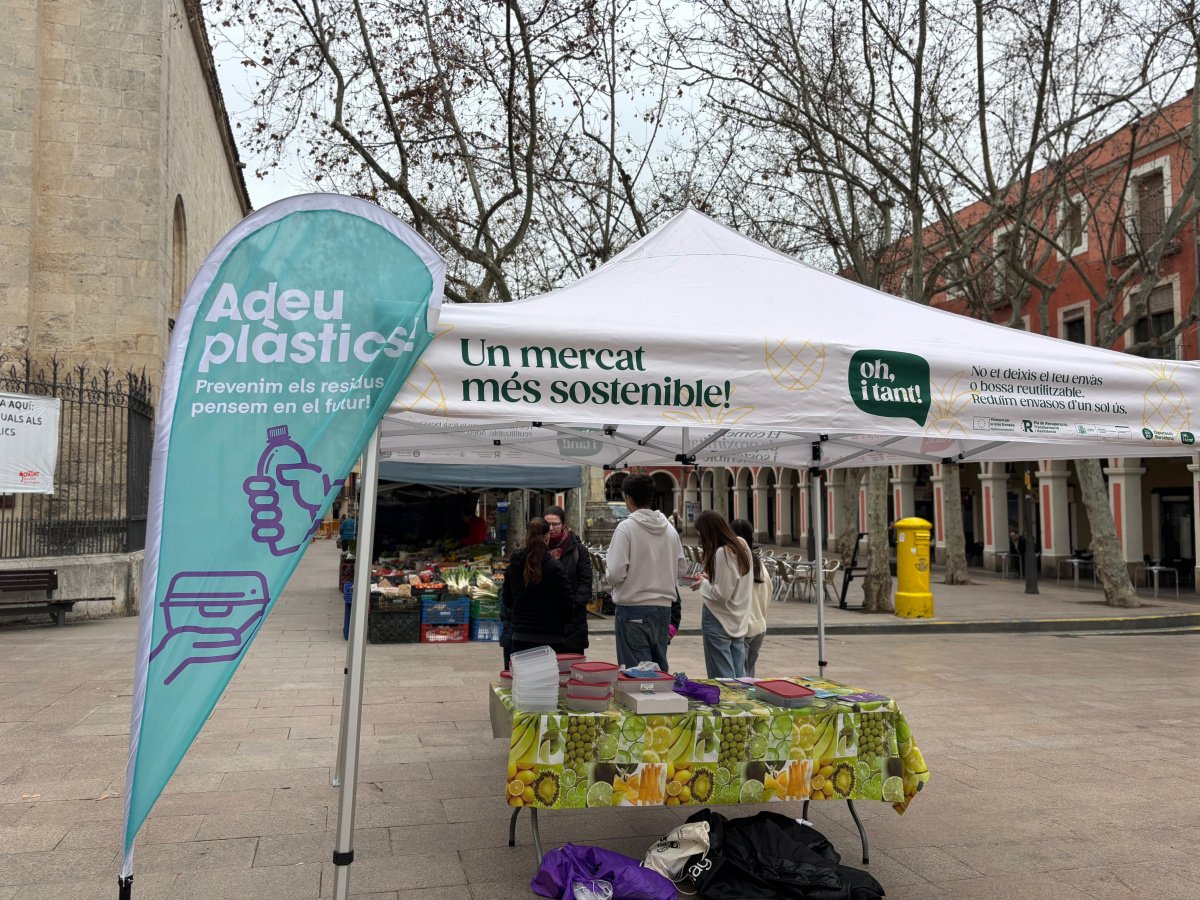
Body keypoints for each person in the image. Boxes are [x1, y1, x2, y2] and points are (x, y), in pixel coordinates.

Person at [606, 473, 686, 671]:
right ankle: (661, 702)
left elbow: (615, 573)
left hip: (633, 607)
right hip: (663, 609)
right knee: (658, 669)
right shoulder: (669, 529)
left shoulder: (626, 528)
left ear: (628, 498)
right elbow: (682, 569)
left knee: (636, 674)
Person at [691, 510, 752, 678]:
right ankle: (739, 703)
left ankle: (726, 704)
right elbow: (734, 580)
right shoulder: (742, 545)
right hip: (738, 618)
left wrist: (703, 584)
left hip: (718, 618)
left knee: (722, 677)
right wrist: (711, 578)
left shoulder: (722, 552)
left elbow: (721, 594)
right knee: (739, 676)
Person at [501, 517, 574, 656]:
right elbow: (567, 603)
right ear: (547, 537)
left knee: (523, 677)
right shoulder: (555, 567)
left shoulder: (514, 566)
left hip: (520, 636)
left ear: (526, 536)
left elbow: (507, 600)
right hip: (551, 636)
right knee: (547, 677)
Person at [544, 505, 592, 654]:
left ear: (563, 524)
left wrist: (574, 605)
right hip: (544, 618)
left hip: (572, 621)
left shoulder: (577, 550)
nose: (551, 528)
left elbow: (585, 582)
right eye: (547, 524)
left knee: (570, 667)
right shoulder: (537, 549)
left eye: (555, 524)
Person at [731, 518, 770, 677]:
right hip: (759, 626)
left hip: (744, 627)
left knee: (740, 678)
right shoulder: (759, 563)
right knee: (749, 676)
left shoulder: (738, 562)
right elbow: (769, 593)